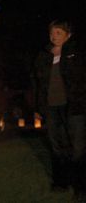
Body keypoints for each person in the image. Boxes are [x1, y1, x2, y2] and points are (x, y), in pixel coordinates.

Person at [33, 20, 86, 202]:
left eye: (58, 33)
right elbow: (39, 83)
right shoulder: (44, 55)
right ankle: (60, 183)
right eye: (51, 33)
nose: (53, 36)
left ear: (68, 35)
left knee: (78, 149)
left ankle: (80, 187)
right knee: (57, 147)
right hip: (51, 108)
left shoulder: (76, 53)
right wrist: (39, 107)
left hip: (74, 108)